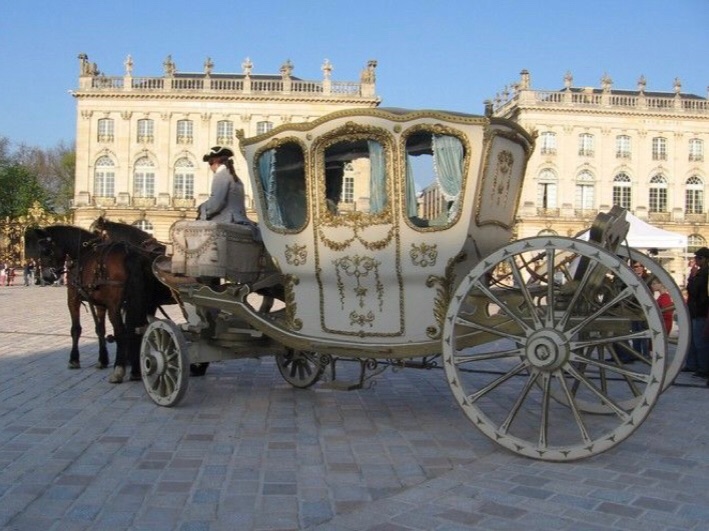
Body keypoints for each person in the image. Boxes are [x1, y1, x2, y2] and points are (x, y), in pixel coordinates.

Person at [197, 146, 250, 224]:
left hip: (228, 219)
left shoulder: (221, 175)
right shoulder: (233, 176)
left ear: (215, 161)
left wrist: (202, 208)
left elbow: (216, 203)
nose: (210, 167)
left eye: (210, 163)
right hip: (239, 218)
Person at [685, 247, 709, 378]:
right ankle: (693, 364)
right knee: (693, 340)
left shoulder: (704, 274)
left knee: (700, 341)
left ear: (705, 259)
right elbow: (690, 290)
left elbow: (695, 291)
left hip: (701, 311)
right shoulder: (699, 273)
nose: (696, 260)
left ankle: (703, 368)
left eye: (699, 258)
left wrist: (693, 277)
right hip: (695, 310)